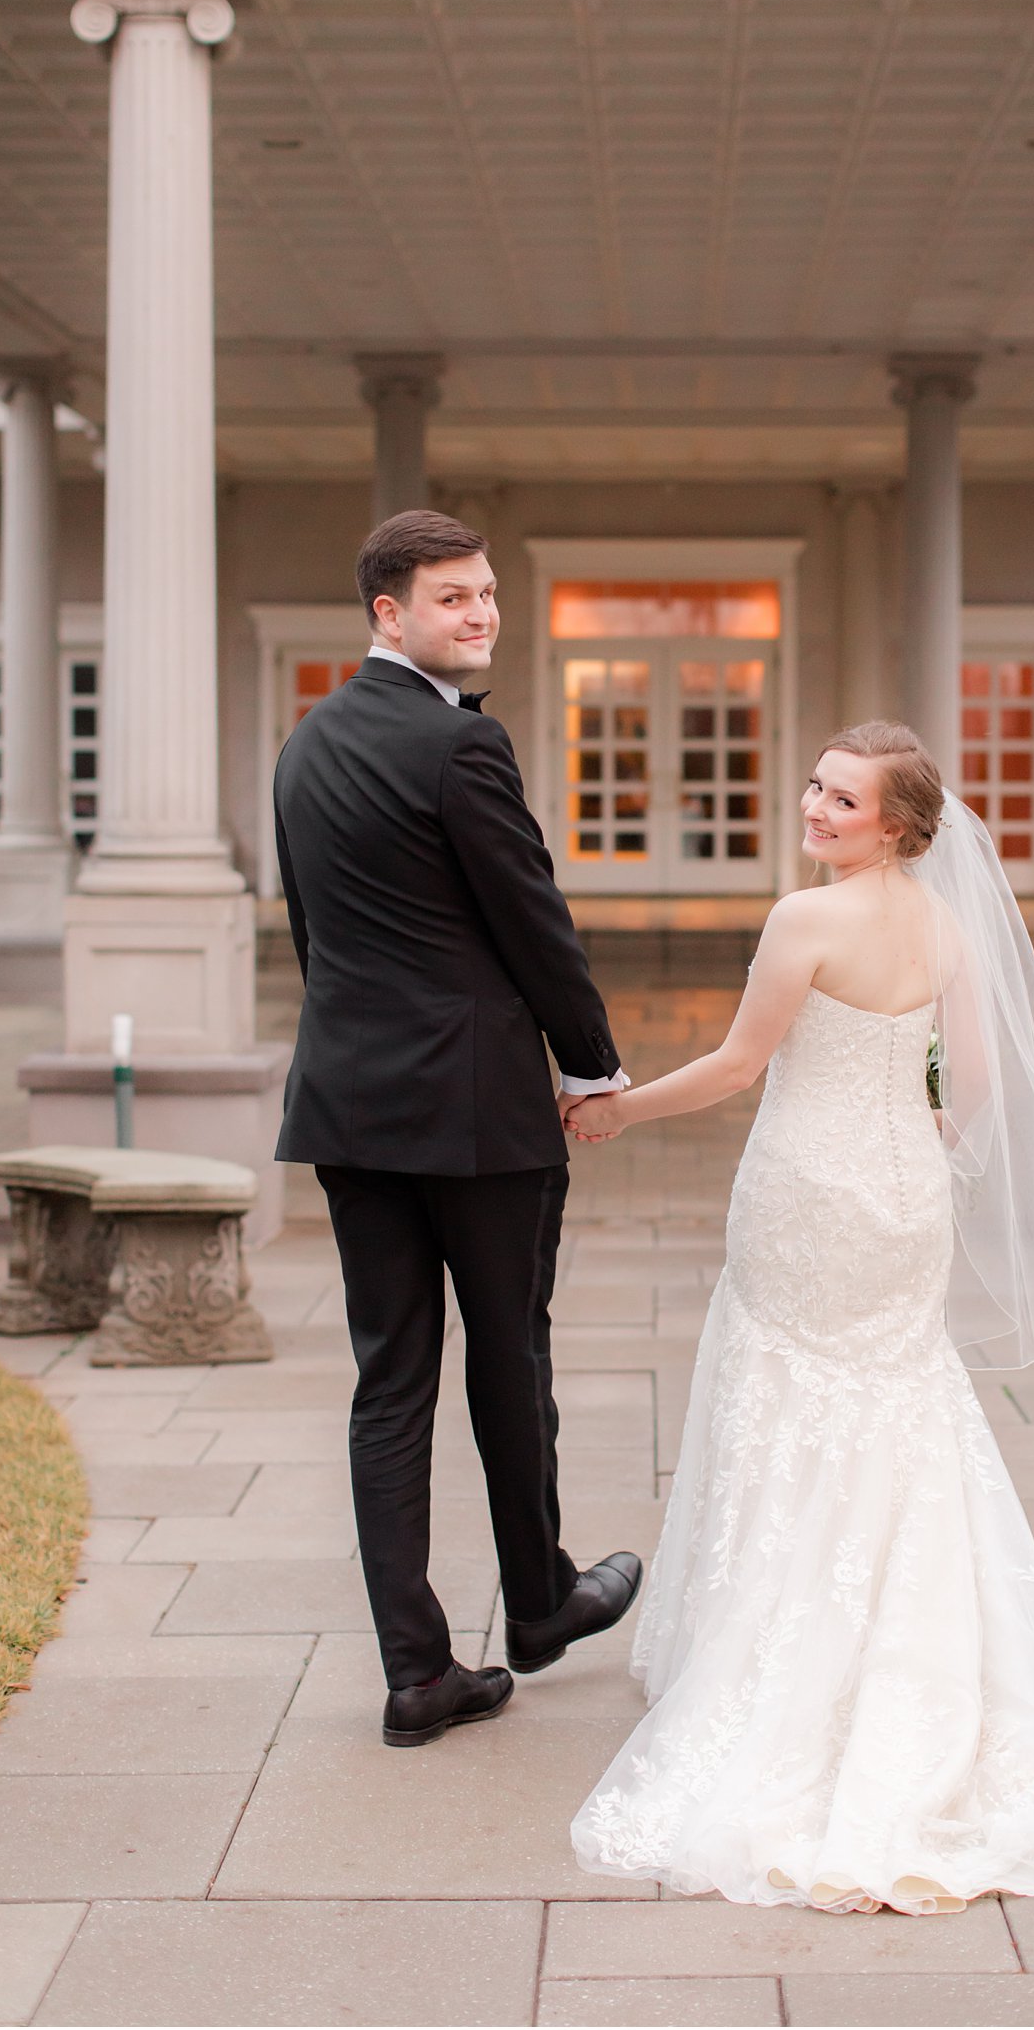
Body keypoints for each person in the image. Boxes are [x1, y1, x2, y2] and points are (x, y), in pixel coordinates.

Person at [566, 720, 1034, 1914]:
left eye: (842, 800)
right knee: (900, 1409)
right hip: (905, 1199)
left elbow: (738, 1065)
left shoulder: (803, 921)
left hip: (806, 1194)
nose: (815, 807)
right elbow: (976, 1083)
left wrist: (616, 1111)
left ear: (898, 825)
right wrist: (919, 1157)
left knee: (782, 1393)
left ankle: (785, 1659)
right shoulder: (946, 925)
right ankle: (918, 1661)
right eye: (815, 786)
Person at [273, 509, 641, 1749]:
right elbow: (534, 923)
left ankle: (416, 1674)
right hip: (477, 1110)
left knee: (388, 1381)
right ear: (389, 613)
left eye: (486, 594)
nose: (480, 614)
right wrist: (591, 1064)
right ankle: (537, 1605)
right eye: (451, 599)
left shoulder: (304, 744)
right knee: (507, 1354)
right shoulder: (457, 749)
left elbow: (314, 937)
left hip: (347, 1102)